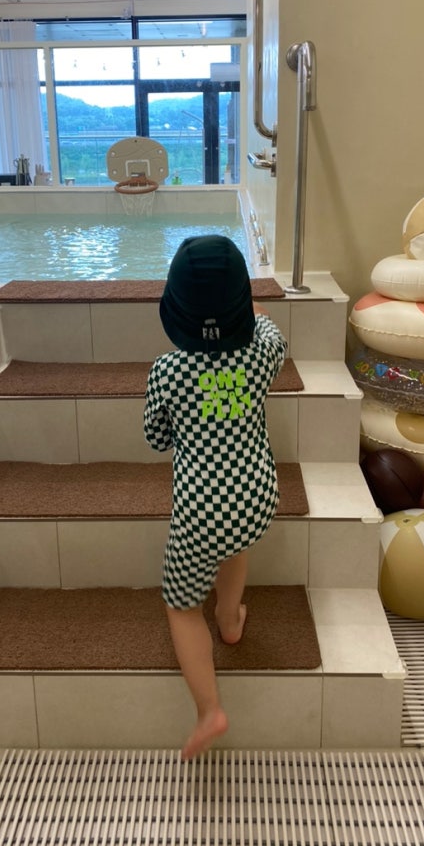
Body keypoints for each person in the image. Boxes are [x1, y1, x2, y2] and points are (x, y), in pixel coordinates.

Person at [144, 235, 288, 760]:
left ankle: (209, 711)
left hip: (199, 511)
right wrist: (252, 313)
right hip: (256, 497)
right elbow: (272, 331)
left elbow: (156, 437)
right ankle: (229, 621)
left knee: (182, 607)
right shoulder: (260, 355)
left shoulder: (168, 372)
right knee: (235, 543)